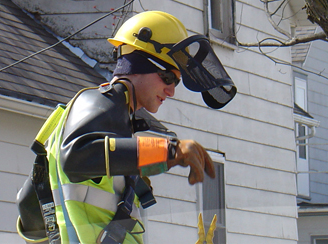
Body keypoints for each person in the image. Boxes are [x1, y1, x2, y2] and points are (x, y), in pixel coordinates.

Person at [17, 10, 237, 244]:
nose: (171, 91)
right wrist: (169, 151)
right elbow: (75, 157)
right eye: (168, 78)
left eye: (177, 82)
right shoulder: (100, 103)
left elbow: (29, 207)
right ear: (138, 65)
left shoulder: (114, 125)